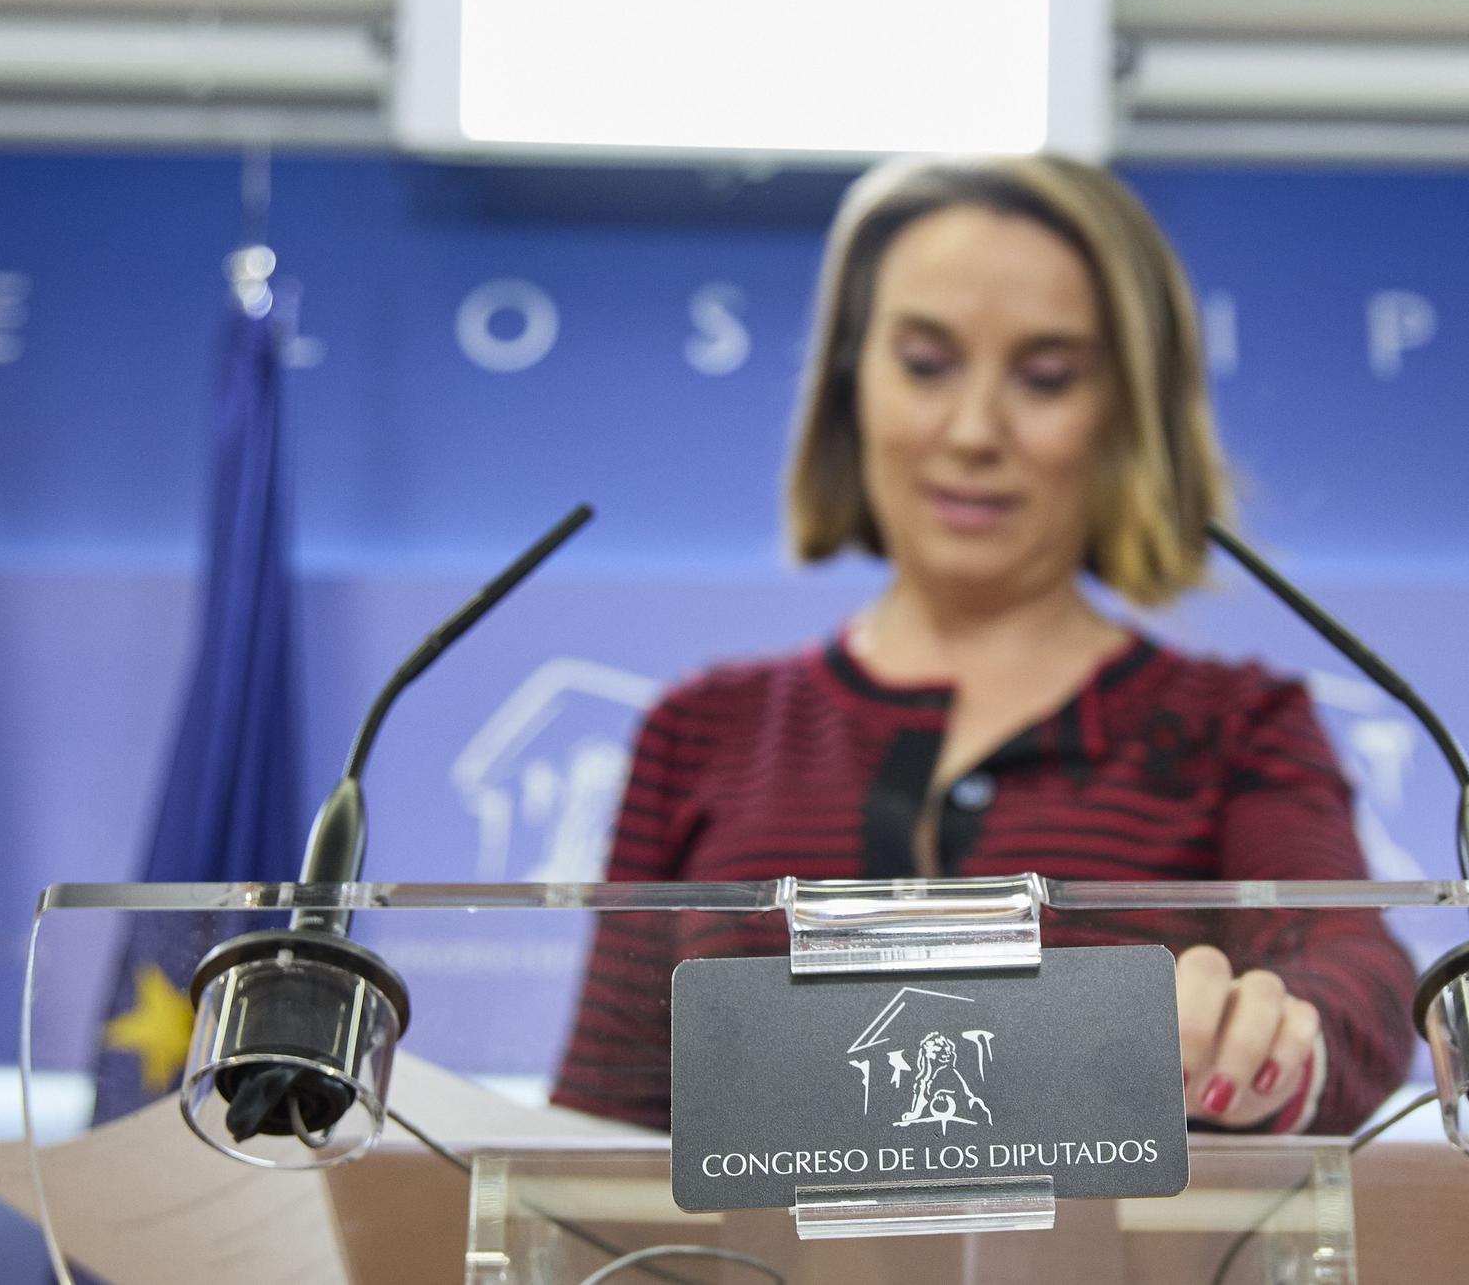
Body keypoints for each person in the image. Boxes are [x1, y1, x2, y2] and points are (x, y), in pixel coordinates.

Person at [552, 155, 1415, 1136]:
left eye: (1045, 379)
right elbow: (597, 1137)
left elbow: (1357, 977)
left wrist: (1274, 1043)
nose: (971, 430)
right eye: (924, 366)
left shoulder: (1238, 727)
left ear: (1126, 415)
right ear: (849, 382)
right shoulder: (700, 730)